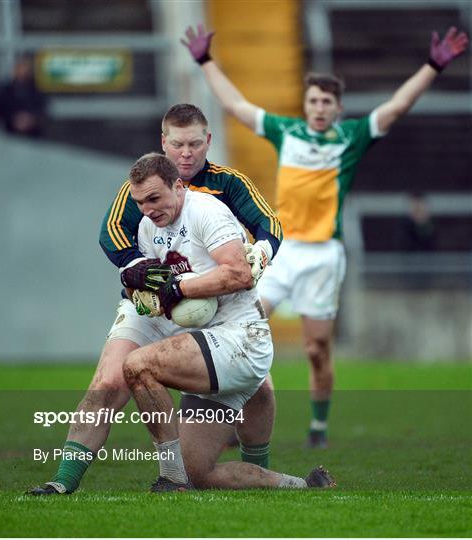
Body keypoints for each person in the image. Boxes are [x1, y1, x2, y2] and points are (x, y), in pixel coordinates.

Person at [181, 24, 469, 448]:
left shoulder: (350, 139)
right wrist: (205, 61)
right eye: (313, 100)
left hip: (323, 255)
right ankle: (228, 422)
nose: (318, 107)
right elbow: (236, 105)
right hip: (279, 251)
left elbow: (397, 105)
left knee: (316, 349)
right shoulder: (287, 132)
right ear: (306, 104)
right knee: (237, 329)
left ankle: (318, 427)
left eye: (326, 102)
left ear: (337, 108)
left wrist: (433, 65)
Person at [27, 105, 282, 496]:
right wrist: (138, 268)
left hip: (215, 303)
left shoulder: (226, 187)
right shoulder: (144, 188)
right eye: (177, 144)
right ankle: (62, 481)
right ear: (164, 143)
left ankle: (255, 471)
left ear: (207, 142)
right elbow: (111, 231)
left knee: (258, 385)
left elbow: (269, 224)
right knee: (110, 380)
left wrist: (261, 250)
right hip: (152, 301)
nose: (186, 153)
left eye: (195, 143)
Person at [118, 153, 336, 490]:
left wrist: (178, 288)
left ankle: (170, 478)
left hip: (240, 339)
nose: (147, 209)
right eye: (140, 202)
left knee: (137, 366)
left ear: (178, 186)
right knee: (199, 472)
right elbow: (160, 290)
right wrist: (142, 294)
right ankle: (304, 486)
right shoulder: (148, 228)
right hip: (209, 352)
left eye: (154, 198)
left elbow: (240, 274)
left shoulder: (206, 211)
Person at [0, 57, 47, 137]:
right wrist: (14, 119)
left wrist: (30, 119)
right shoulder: (6, 90)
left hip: (33, 134)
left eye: (24, 68)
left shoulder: (37, 90)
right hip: (9, 133)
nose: (22, 71)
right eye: (19, 68)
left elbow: (43, 109)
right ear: (14, 70)